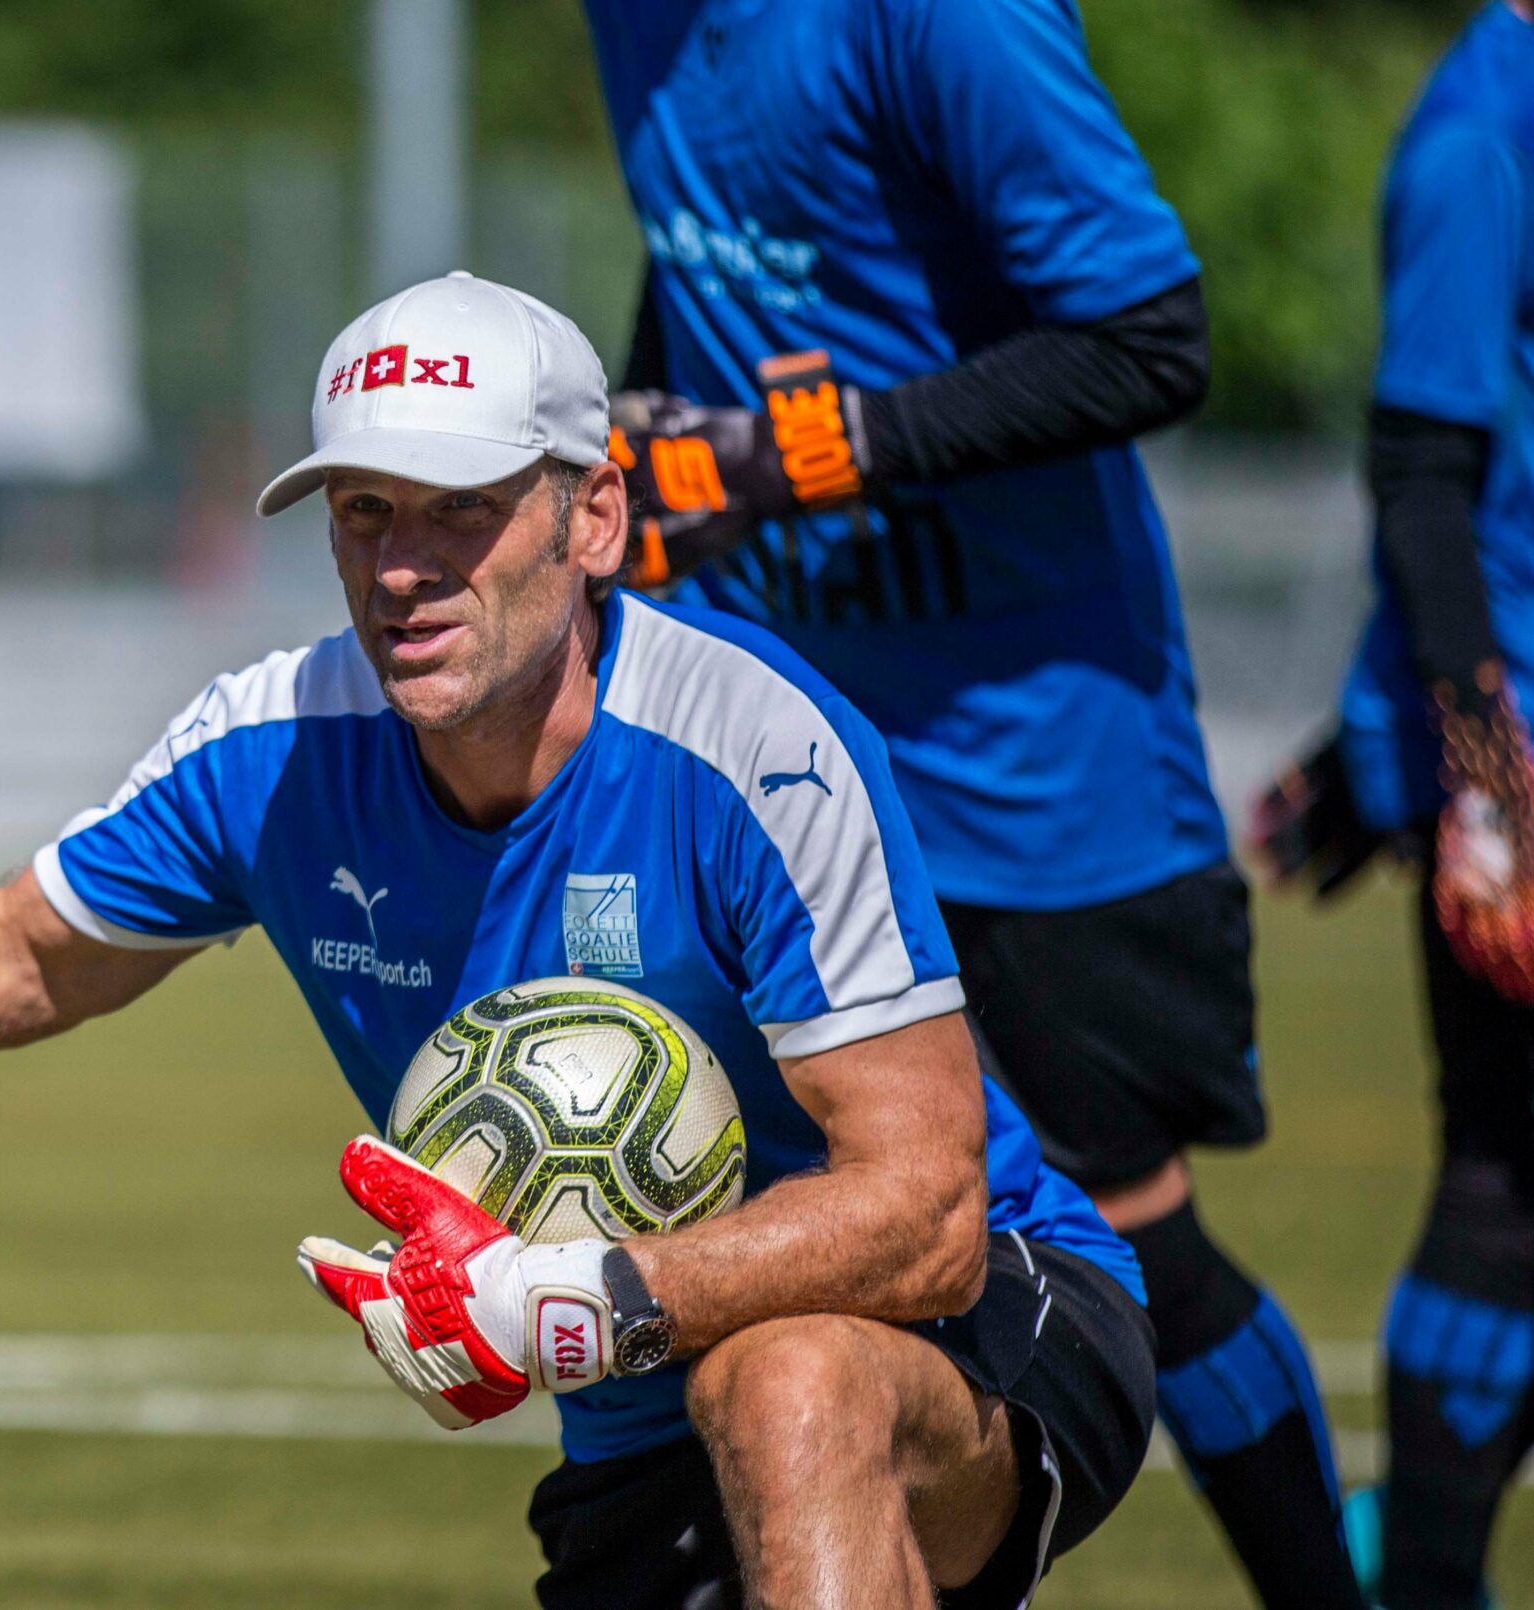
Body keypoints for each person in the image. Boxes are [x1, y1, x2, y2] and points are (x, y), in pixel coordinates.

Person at [0, 274, 1156, 1609]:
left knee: (790, 1390)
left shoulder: (757, 750)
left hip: (994, 1315)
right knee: (752, 1409)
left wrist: (580, 1300)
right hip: (637, 1400)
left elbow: (926, 1209)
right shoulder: (274, 745)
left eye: (462, 508)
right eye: (365, 513)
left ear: (597, 519)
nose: (405, 567)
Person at [579, 0, 1363, 1603]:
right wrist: (644, 421)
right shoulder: (631, 23)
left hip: (1039, 761)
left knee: (1139, 1235)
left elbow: (1152, 333)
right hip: (794, 749)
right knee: (800, 1234)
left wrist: (788, 456)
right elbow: (710, 251)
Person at [1258, 6, 1534, 1605]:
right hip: (1517, 758)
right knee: (1503, 1184)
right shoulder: (1481, 137)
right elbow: (1426, 479)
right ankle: (1421, 1571)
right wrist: (1479, 787)